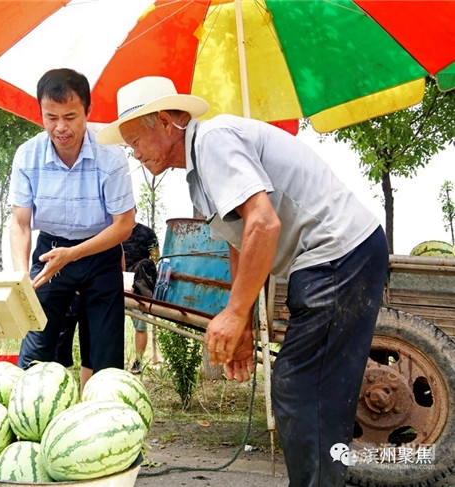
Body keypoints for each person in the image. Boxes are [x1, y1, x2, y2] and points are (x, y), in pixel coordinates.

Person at [97, 76, 389, 486]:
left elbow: (264, 225)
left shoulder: (214, 140)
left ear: (164, 122)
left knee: (302, 390)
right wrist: (244, 320)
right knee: (302, 390)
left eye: (135, 141)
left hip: (340, 254)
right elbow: (239, 239)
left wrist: (234, 313)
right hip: (327, 261)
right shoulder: (199, 177)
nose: (135, 154)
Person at [9, 68, 135, 385]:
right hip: (50, 254)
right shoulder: (27, 155)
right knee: (37, 346)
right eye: (51, 117)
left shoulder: (111, 155)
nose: (61, 127)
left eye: (70, 116)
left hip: (100, 251)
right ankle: (29, 410)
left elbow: (124, 225)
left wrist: (75, 254)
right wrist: (21, 276)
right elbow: (20, 223)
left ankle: (101, 417)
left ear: (87, 113)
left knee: (106, 356)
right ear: (41, 113)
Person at [122, 209, 159, 374]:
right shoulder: (115, 231)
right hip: (117, 282)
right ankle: (113, 361)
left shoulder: (147, 232)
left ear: (135, 210)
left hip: (138, 286)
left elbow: (156, 258)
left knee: (140, 324)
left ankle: (138, 361)